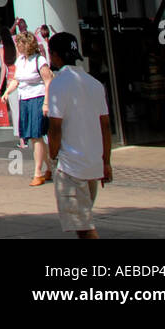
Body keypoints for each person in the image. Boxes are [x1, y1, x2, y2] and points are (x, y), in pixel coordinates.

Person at [45, 32, 111, 239]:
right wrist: (106, 162)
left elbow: (55, 127)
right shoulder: (94, 84)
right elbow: (106, 126)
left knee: (83, 227)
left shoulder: (58, 83)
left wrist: (53, 155)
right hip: (93, 164)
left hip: (71, 166)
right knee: (83, 223)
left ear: (55, 55)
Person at [2, 31, 52, 185]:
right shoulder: (20, 61)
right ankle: (50, 166)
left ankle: (38, 172)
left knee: (37, 136)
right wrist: (7, 92)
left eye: (20, 43)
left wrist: (46, 103)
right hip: (24, 100)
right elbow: (16, 80)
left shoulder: (39, 60)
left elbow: (48, 80)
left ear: (26, 44)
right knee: (32, 137)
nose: (17, 46)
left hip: (37, 99)